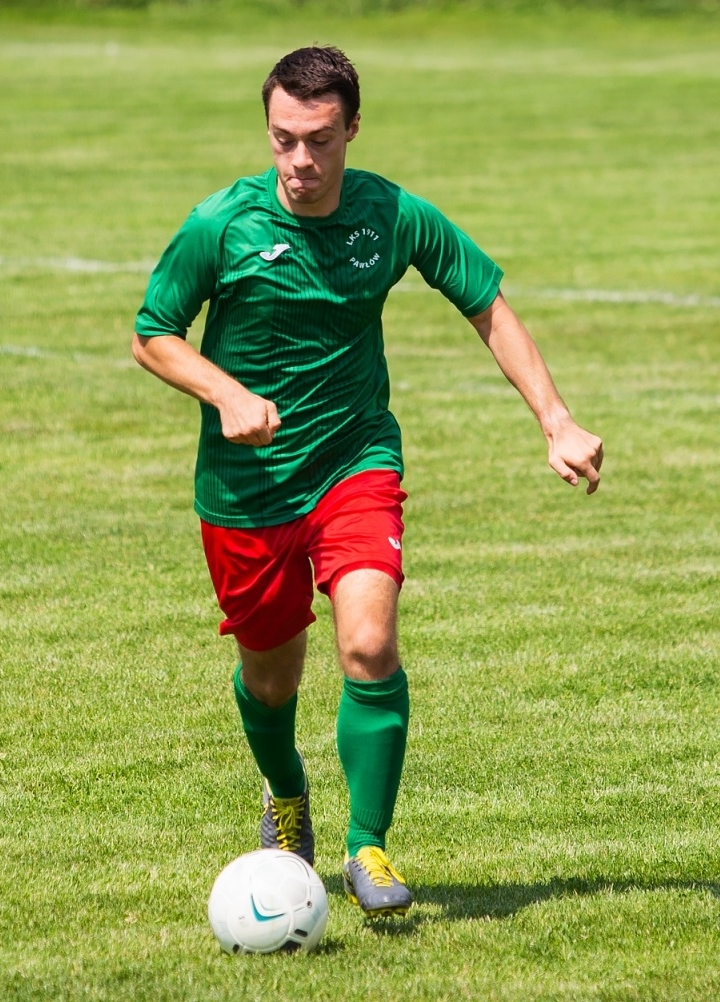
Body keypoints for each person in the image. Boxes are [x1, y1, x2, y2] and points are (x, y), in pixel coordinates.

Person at [132, 47, 604, 915]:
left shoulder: (392, 215)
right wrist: (226, 393)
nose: (299, 161)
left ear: (352, 127)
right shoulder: (221, 225)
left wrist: (556, 418)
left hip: (356, 462)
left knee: (368, 644)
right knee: (271, 679)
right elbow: (153, 333)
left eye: (318, 139)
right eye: (283, 139)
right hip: (246, 488)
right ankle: (286, 794)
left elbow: (487, 304)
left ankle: (368, 847)